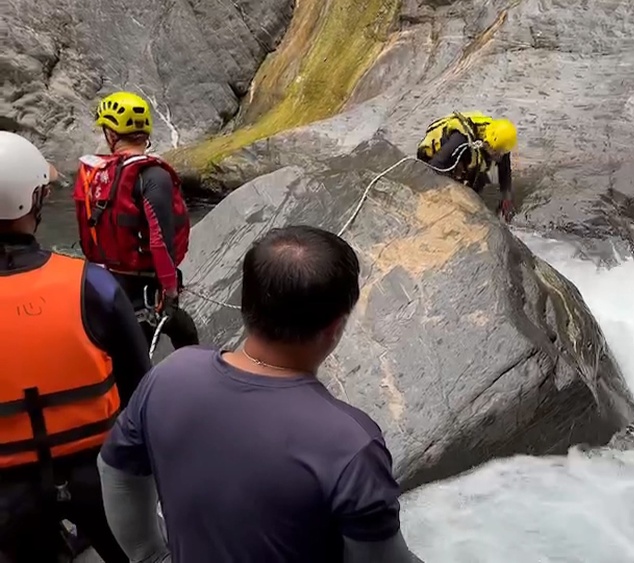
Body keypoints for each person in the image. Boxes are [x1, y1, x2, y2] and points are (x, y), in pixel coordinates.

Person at [98, 225, 424, 563]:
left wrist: (149, 554)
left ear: (245, 304)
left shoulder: (170, 375)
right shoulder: (350, 443)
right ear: (336, 327)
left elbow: (115, 471)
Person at [0, 131, 152, 563]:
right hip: (98, 476)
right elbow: (141, 387)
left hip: (7, 497)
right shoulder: (90, 284)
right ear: (36, 199)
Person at [71, 90, 199, 352]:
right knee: (185, 334)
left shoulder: (96, 174)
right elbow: (160, 241)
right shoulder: (153, 175)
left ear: (111, 134)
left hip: (99, 281)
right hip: (143, 289)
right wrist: (171, 291)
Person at [416, 111, 518, 221]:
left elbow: (505, 169)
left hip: (470, 150)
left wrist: (506, 198)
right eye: (497, 152)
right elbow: (434, 166)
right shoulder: (460, 141)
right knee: (457, 187)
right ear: (487, 143)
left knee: (480, 178)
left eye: (502, 152)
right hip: (436, 155)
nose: (499, 156)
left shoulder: (500, 142)